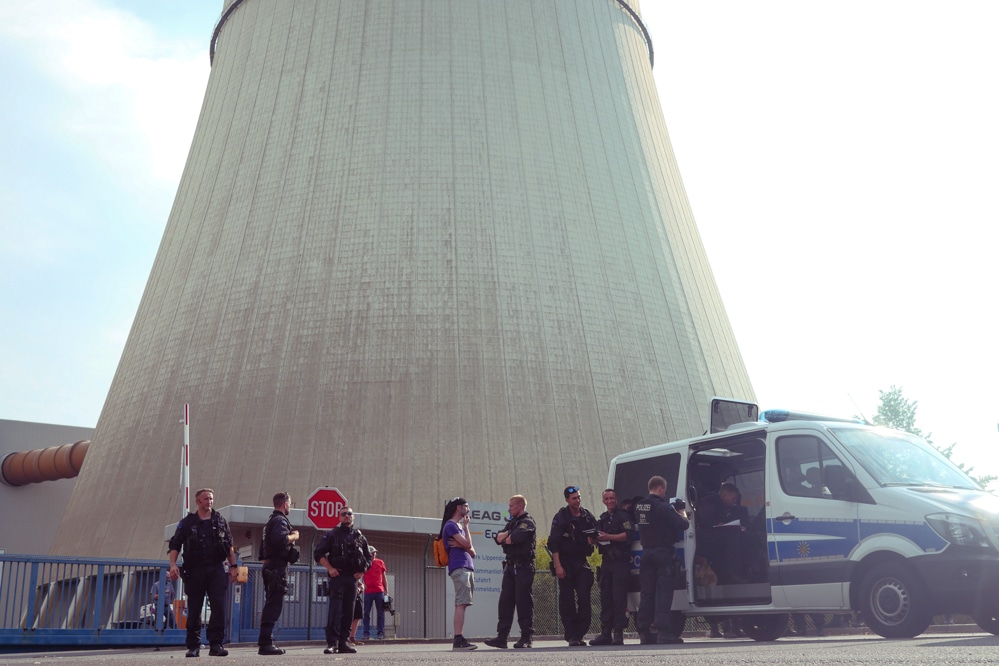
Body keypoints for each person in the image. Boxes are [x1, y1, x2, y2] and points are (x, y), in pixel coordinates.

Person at [168, 488, 239, 658]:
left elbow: (229, 545)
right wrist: (172, 565)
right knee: (194, 609)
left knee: (218, 608)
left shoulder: (220, 520)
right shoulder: (188, 522)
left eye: (211, 498)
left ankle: (216, 645)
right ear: (198, 502)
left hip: (216, 569)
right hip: (195, 570)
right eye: (206, 499)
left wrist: (234, 567)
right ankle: (194, 646)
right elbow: (175, 545)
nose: (210, 502)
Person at [633, 475, 689, 646]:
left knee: (647, 594)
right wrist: (681, 511)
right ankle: (664, 632)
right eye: (664, 489)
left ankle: (644, 632)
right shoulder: (663, 507)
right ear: (660, 488)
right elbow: (683, 524)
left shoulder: (639, 506)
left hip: (646, 553)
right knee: (664, 594)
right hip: (663, 553)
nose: (665, 492)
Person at [314, 506, 373, 655]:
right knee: (335, 611)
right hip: (337, 577)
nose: (347, 516)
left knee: (349, 612)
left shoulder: (359, 537)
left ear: (353, 517)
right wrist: (329, 568)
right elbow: (318, 553)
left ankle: (343, 643)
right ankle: (332, 644)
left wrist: (362, 571)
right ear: (339, 517)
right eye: (344, 514)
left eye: (349, 514)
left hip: (352, 579)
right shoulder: (332, 534)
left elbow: (368, 557)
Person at [484, 495, 537, 650]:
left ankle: (526, 638)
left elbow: (515, 538)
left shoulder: (528, 522)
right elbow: (497, 538)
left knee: (523, 602)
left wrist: (507, 536)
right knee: (505, 603)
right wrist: (507, 535)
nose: (509, 509)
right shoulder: (512, 523)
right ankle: (502, 638)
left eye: (511, 506)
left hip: (524, 567)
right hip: (510, 567)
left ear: (520, 506)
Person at [548, 485, 597, 647]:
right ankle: (571, 634)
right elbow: (553, 544)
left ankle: (580, 633)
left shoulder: (587, 515)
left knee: (584, 598)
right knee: (567, 600)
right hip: (565, 562)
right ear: (567, 500)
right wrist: (558, 566)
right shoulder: (561, 517)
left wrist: (593, 540)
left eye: (579, 497)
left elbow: (597, 533)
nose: (578, 500)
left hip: (581, 562)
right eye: (574, 498)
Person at [589, 488, 636, 646]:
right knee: (606, 599)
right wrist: (593, 540)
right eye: (606, 499)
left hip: (620, 563)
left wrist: (609, 537)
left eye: (611, 498)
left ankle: (618, 634)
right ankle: (605, 633)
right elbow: (598, 536)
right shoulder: (603, 518)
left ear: (616, 499)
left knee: (619, 599)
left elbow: (629, 535)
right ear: (603, 501)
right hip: (607, 563)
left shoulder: (624, 516)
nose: (609, 501)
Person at [257, 491, 300, 656]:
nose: (289, 506)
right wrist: (294, 535)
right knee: (274, 606)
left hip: (270, 566)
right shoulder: (280, 521)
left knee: (271, 604)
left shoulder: (269, 522)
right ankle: (266, 643)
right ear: (284, 504)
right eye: (289, 503)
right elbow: (281, 540)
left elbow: (263, 551)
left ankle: (267, 641)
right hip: (276, 568)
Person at [695, 481, 750, 584]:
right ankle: (733, 572)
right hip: (706, 535)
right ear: (724, 495)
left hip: (720, 533)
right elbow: (707, 520)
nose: (735, 501)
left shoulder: (729, 507)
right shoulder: (709, 502)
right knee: (733, 538)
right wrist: (720, 524)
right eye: (733, 498)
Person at [441, 497, 477, 651]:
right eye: (466, 506)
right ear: (458, 508)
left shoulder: (459, 527)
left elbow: (473, 552)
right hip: (460, 567)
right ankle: (458, 639)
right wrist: (465, 541)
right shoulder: (450, 525)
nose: (468, 509)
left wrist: (464, 542)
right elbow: (468, 545)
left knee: (463, 603)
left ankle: (459, 638)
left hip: (467, 567)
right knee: (461, 603)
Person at [362, 547, 388, 640]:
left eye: (374, 553)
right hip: (368, 591)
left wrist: (386, 591)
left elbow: (384, 577)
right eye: (372, 553)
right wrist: (363, 584)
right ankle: (366, 633)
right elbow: (361, 575)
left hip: (379, 590)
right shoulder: (365, 563)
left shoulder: (380, 562)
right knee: (366, 613)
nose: (373, 555)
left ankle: (380, 632)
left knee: (380, 613)